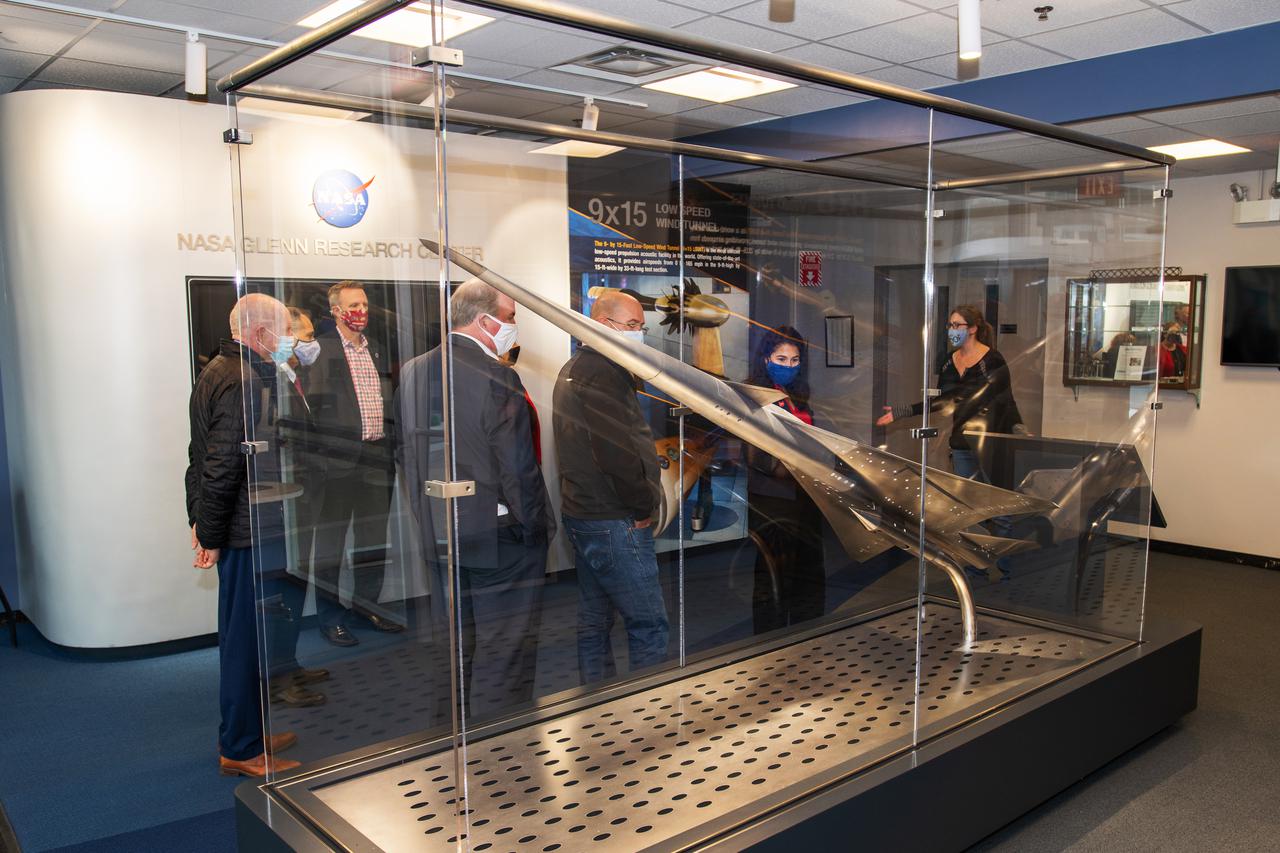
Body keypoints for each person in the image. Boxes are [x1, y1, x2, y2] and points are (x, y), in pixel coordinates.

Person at [397, 280, 554, 718]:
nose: (514, 325)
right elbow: (516, 467)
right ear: (484, 321)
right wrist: (536, 528)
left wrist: (427, 518)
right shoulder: (498, 376)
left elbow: (407, 457)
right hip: (500, 536)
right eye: (510, 317)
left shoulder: (412, 371)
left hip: (441, 530)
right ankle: (502, 742)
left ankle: (449, 736)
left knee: (452, 645)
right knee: (506, 648)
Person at [185, 293, 301, 777]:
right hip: (241, 532)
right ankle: (240, 747)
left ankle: (247, 731)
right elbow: (221, 464)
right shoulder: (242, 379)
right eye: (285, 331)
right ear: (260, 333)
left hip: (233, 527)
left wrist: (199, 521)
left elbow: (198, 456)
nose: (289, 340)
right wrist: (210, 536)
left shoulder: (219, 368)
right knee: (243, 642)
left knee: (245, 636)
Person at [553, 290, 669, 684]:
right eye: (632, 326)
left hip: (585, 514)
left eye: (642, 327)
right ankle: (650, 709)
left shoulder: (576, 366)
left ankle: (598, 699)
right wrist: (641, 507)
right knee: (648, 624)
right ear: (604, 324)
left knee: (595, 620)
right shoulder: (603, 372)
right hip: (615, 518)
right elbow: (615, 453)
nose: (639, 334)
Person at [307, 281, 400, 646]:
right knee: (330, 548)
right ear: (336, 311)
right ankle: (331, 619)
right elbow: (308, 411)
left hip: (376, 460)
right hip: (335, 465)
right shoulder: (320, 351)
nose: (361, 311)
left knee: (373, 542)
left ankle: (366, 609)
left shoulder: (375, 349)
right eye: (353, 305)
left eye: (364, 304)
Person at [877, 304, 1025, 481]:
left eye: (957, 325)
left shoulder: (992, 359)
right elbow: (944, 400)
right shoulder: (949, 361)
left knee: (992, 494)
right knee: (965, 494)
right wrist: (904, 411)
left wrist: (1019, 429)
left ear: (972, 329)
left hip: (990, 444)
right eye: (950, 325)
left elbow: (1006, 399)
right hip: (961, 443)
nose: (952, 330)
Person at [746, 326, 825, 633]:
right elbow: (757, 454)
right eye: (781, 359)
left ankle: (805, 636)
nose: (789, 366)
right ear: (766, 359)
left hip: (804, 493)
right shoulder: (755, 395)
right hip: (773, 497)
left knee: (807, 569)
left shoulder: (798, 394)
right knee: (773, 573)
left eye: (795, 360)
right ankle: (770, 640)